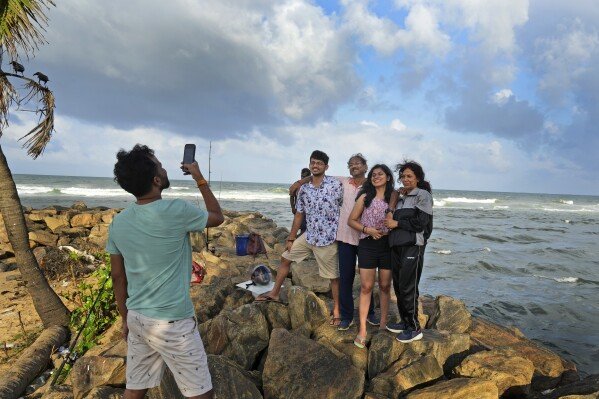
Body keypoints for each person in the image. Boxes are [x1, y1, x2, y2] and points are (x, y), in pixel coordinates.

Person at [106, 144, 224, 399]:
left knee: (135, 388)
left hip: (137, 317)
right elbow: (216, 216)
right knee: (201, 394)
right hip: (172, 322)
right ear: (157, 180)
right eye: (160, 165)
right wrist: (199, 177)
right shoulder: (177, 210)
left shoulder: (118, 222)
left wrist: (125, 318)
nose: (165, 167)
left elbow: (118, 277)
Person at [289, 154, 376, 329]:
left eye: (357, 164)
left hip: (366, 238)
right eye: (350, 164)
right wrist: (300, 183)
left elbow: (390, 193)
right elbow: (316, 173)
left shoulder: (373, 184)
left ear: (366, 167)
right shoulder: (342, 182)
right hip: (344, 236)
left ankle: (371, 313)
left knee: (367, 280)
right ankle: (346, 315)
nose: (354, 166)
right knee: (345, 278)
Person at [257, 150, 343, 326]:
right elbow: (298, 215)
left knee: (333, 276)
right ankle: (274, 293)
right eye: (313, 162)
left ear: (326, 167)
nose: (315, 165)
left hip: (327, 239)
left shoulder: (336, 184)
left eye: (319, 163)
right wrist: (290, 238)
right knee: (285, 257)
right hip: (308, 235)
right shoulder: (304, 189)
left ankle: (337, 310)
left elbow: (346, 204)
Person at [384, 160, 433, 343]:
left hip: (413, 245)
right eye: (403, 176)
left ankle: (414, 327)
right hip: (396, 245)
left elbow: (421, 223)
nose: (405, 179)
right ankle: (405, 322)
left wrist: (396, 223)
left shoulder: (423, 195)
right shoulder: (401, 197)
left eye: (409, 176)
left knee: (408, 286)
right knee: (398, 285)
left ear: (418, 178)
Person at [348, 164, 394, 348]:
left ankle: (383, 325)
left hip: (387, 245)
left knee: (384, 286)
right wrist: (368, 229)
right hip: (367, 244)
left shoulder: (394, 198)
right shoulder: (365, 197)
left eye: (380, 174)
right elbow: (351, 220)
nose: (376, 177)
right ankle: (362, 330)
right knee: (366, 287)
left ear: (388, 177)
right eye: (373, 175)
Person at [290, 168, 311, 235]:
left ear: (309, 176)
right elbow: (292, 196)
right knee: (300, 226)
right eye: (302, 176)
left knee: (307, 227)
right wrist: (293, 207)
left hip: (309, 211)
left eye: (305, 176)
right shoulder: (297, 185)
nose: (303, 178)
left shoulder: (312, 185)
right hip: (299, 210)